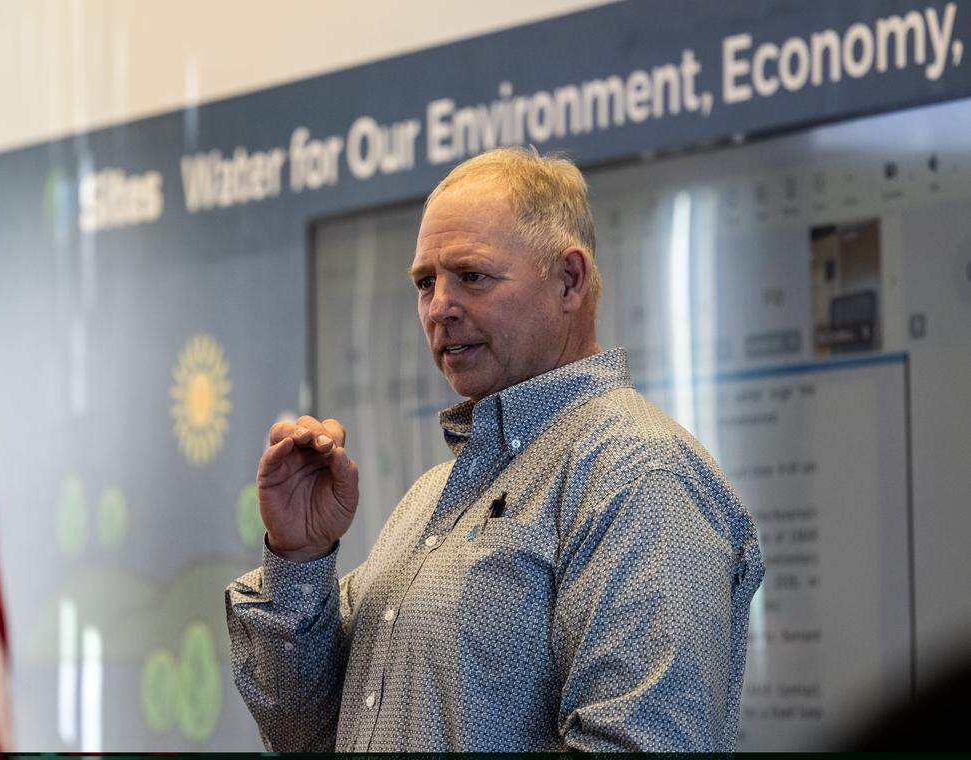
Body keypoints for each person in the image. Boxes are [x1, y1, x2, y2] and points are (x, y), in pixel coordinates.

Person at [225, 147, 764, 752]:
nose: (439, 308)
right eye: (425, 282)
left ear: (569, 280)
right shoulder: (431, 498)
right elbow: (305, 731)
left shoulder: (641, 476)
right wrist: (300, 557)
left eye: (472, 276)